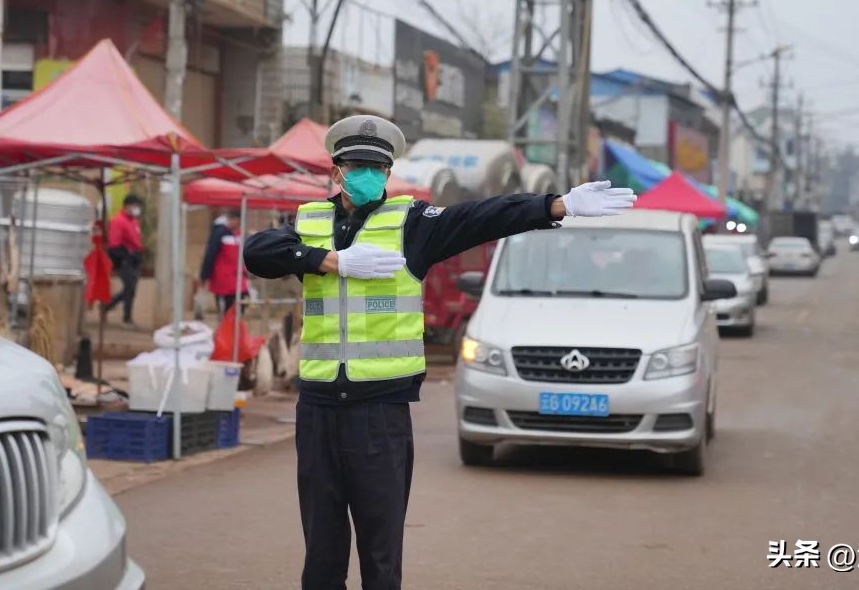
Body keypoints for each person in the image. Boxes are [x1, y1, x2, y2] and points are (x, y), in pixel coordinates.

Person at [243, 115, 637, 590]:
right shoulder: (309, 223)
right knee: (321, 553)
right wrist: (330, 260)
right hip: (318, 409)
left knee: (380, 553)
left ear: (388, 174)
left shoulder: (412, 224)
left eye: (377, 168)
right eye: (357, 167)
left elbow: (482, 216)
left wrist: (557, 205)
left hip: (379, 411)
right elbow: (258, 252)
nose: (367, 175)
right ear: (336, 172)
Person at [198, 208, 250, 315]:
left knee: (243, 301)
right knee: (227, 309)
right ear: (234, 219)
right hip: (223, 278)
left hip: (238, 277)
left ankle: (234, 323)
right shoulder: (219, 232)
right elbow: (210, 254)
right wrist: (204, 275)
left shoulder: (238, 234)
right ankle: (226, 324)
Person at [105, 194, 144, 328]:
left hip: (135, 259)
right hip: (125, 260)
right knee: (129, 289)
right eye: (136, 206)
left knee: (131, 290)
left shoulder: (134, 221)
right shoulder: (118, 221)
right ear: (128, 206)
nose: (138, 209)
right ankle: (126, 318)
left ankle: (108, 305)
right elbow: (114, 245)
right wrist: (127, 256)